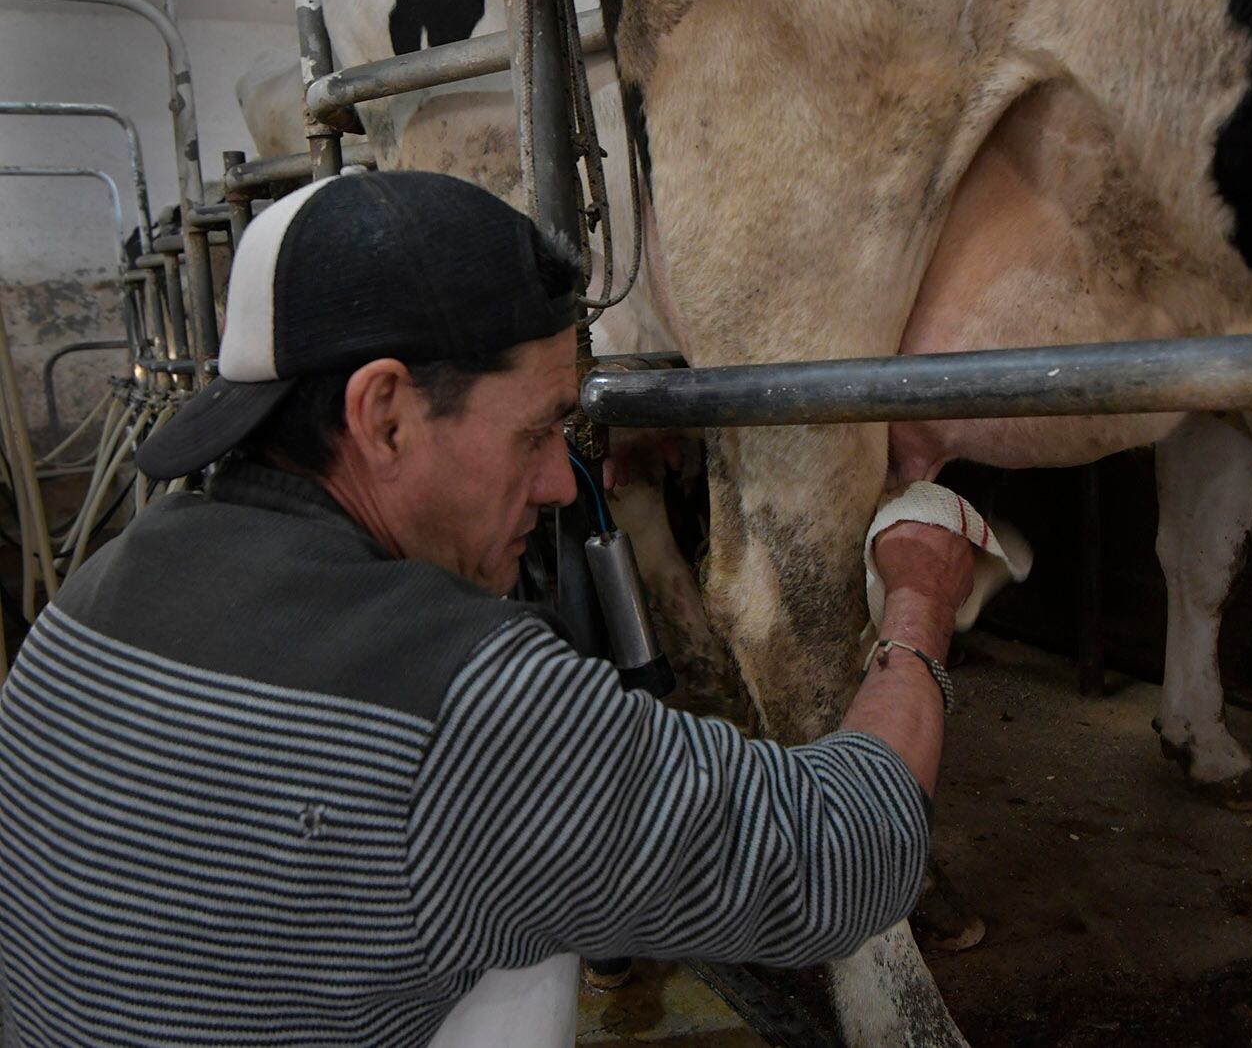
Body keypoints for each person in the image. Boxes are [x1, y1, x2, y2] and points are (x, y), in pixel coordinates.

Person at [0, 171, 975, 1047]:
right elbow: (839, 852)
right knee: (530, 919)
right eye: (538, 429)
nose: (560, 480)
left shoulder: (85, 600)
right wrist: (918, 600)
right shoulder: (459, 698)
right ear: (383, 414)